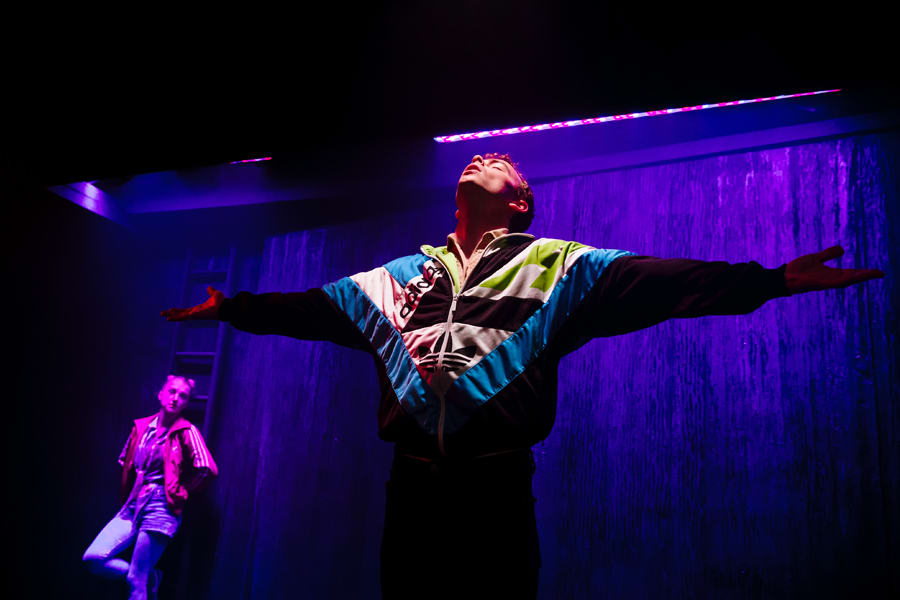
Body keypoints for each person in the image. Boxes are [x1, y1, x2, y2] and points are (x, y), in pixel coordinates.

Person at [161, 152, 883, 599]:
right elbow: (316, 308)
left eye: (502, 164)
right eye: (475, 160)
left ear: (521, 202)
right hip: (410, 489)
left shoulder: (559, 267)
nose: (484, 155)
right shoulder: (399, 278)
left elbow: (663, 283)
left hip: (494, 488)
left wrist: (773, 280)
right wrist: (234, 307)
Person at [83, 375, 218, 600]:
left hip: (161, 507)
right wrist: (132, 493)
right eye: (172, 392)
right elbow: (125, 460)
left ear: (186, 403)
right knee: (94, 558)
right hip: (133, 505)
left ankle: (141, 578)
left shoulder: (186, 431)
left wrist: (180, 491)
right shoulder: (142, 426)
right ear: (161, 394)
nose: (176, 398)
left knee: (136, 581)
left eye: (183, 396)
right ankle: (149, 577)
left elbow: (207, 468)